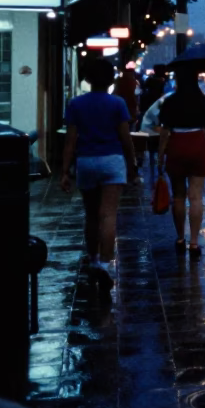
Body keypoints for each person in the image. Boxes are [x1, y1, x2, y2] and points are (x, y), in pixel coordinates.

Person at [59, 59, 137, 294]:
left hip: (86, 161)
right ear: (110, 79)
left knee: (91, 215)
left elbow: (70, 141)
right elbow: (125, 138)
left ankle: (93, 259)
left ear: (88, 79)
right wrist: (132, 164)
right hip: (112, 160)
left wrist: (64, 171)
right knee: (108, 215)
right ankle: (104, 264)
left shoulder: (76, 104)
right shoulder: (117, 103)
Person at [159, 67, 205, 257]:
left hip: (176, 146)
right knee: (196, 197)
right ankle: (194, 242)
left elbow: (165, 131)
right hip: (198, 145)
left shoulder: (170, 102)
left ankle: (179, 238)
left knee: (178, 196)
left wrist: (160, 157)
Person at [139, 64, 169, 172]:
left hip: (147, 113)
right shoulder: (163, 85)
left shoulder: (149, 80)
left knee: (149, 149)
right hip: (154, 117)